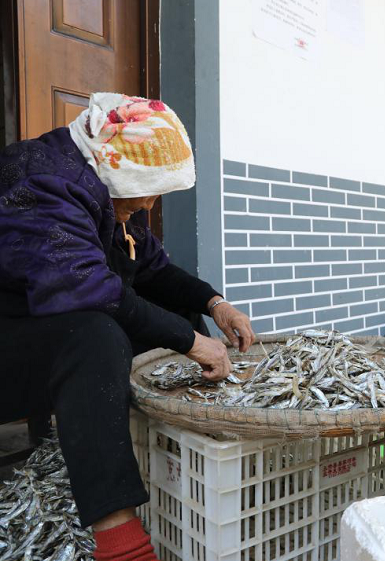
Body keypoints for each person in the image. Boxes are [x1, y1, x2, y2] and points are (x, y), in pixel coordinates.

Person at [0, 93, 255, 561]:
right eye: (147, 188)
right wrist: (193, 343)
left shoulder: (110, 189)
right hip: (13, 344)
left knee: (179, 317)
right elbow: (86, 290)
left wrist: (215, 304)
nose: (148, 201)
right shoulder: (42, 180)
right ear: (117, 165)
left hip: (43, 333)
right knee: (96, 337)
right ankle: (121, 542)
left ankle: (173, 452)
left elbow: (155, 271)